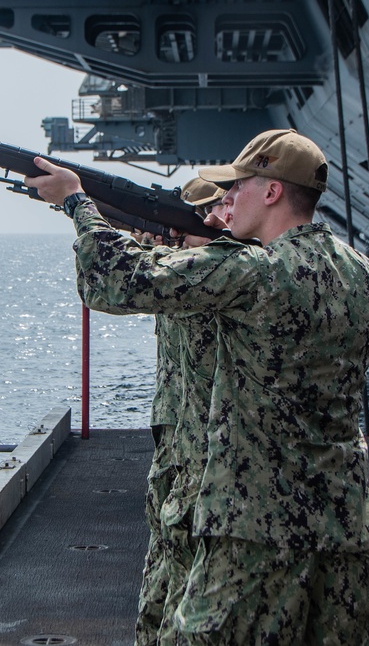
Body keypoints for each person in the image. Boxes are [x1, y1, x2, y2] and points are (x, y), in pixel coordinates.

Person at [25, 129, 369, 644]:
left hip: (256, 525)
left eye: (238, 187)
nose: (228, 199)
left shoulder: (256, 272)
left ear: (271, 192)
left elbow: (114, 281)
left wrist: (76, 202)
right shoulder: (358, 270)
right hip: (347, 520)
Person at [130, 178, 226, 646]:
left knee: (188, 588)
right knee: (163, 575)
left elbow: (117, 285)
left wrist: (79, 206)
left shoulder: (218, 277)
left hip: (202, 452)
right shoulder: (191, 268)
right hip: (174, 435)